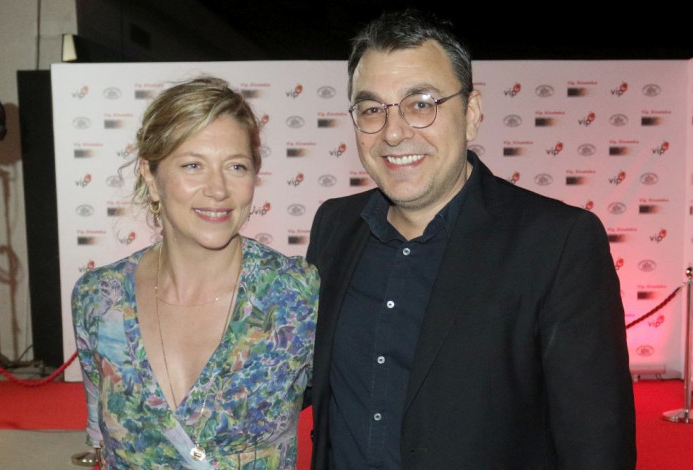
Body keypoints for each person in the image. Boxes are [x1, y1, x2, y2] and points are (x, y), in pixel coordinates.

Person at [305, 8, 636, 470]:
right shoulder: (334, 226)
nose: (394, 132)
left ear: (472, 113)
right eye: (372, 109)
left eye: (421, 104)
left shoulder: (557, 243)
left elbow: (596, 445)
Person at [72, 76, 319, 469]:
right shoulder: (99, 298)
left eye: (236, 166)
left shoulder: (296, 295)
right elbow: (101, 437)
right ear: (151, 177)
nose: (218, 189)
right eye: (192, 165)